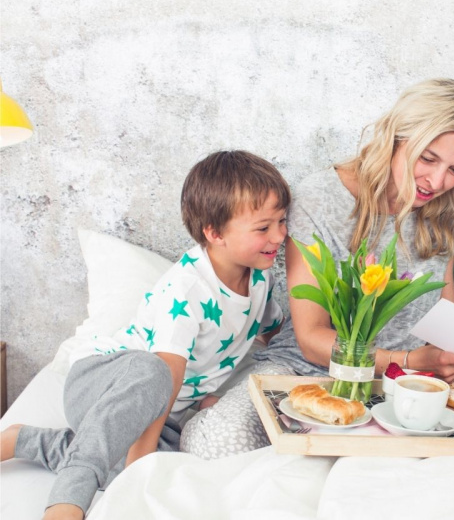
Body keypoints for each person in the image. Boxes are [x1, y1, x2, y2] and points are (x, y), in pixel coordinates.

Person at [181, 78, 454, 459]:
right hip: (303, 373)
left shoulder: (445, 215)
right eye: (427, 159)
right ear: (396, 138)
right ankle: (211, 412)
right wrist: (410, 360)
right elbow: (312, 338)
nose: (437, 181)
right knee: (219, 444)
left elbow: (449, 324)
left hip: (403, 389)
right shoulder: (320, 198)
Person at [0, 150, 290, 519]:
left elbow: (272, 332)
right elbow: (165, 374)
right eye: (264, 227)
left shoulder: (261, 276)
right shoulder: (187, 289)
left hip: (162, 412)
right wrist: (140, 469)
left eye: (282, 221)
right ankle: (68, 499)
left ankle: (28, 441)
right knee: (148, 404)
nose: (280, 235)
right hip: (104, 384)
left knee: (181, 465)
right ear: (215, 233)